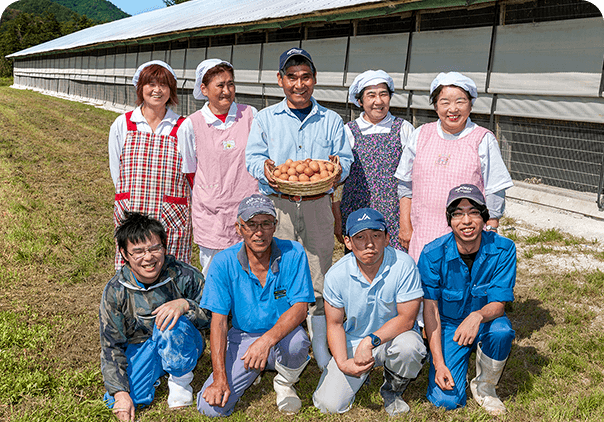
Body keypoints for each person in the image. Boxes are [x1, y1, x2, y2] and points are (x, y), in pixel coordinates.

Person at [245, 47, 354, 370]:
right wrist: (263, 167)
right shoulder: (265, 118)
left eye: (305, 76)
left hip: (318, 205)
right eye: (291, 77)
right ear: (280, 80)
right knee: (278, 272)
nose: (299, 83)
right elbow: (253, 157)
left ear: (314, 79)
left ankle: (320, 344)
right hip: (278, 208)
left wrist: (337, 167)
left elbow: (344, 160)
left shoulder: (331, 120)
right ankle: (285, 346)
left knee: (319, 272)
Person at [196, 194, 315, 417]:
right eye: (251, 224)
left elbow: (300, 308)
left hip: (282, 336)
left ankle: (284, 381)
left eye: (265, 224)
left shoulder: (294, 252)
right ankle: (255, 369)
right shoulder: (222, 262)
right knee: (211, 408)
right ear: (238, 228)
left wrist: (266, 341)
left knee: (298, 342)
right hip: (243, 337)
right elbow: (219, 322)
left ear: (275, 226)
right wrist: (220, 378)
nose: (259, 232)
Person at [313, 208, 426, 416]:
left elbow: (407, 318)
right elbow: (335, 324)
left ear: (387, 238)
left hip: (395, 337)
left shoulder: (404, 265)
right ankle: (360, 375)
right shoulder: (336, 275)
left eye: (376, 235)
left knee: (410, 348)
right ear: (347, 242)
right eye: (360, 237)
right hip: (354, 339)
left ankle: (393, 390)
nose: (370, 243)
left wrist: (370, 341)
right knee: (328, 405)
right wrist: (343, 363)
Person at [99, 212, 210, 422]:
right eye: (138, 251)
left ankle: (180, 380)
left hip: (183, 338)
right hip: (142, 346)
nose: (148, 257)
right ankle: (159, 368)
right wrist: (120, 393)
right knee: (121, 399)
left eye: (154, 248)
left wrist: (186, 305)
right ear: (124, 254)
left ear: (165, 247)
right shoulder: (115, 290)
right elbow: (111, 345)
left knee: (168, 321)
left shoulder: (184, 274)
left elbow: (215, 315)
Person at [394, 71, 513, 262]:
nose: (453, 109)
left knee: (461, 285)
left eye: (460, 101)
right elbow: (405, 185)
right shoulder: (420, 135)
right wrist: (405, 226)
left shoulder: (482, 139)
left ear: (470, 104)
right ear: (435, 106)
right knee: (426, 286)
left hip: (467, 234)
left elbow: (495, 188)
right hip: (424, 230)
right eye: (445, 102)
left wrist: (491, 226)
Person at [418, 184, 516, 415]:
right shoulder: (432, 254)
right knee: (447, 400)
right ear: (449, 221)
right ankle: (456, 360)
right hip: (449, 325)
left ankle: (485, 386)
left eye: (473, 212)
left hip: (485, 321)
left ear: (484, 218)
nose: (466, 221)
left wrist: (477, 316)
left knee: (501, 331)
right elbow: (430, 311)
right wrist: (439, 363)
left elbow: (499, 304)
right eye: (458, 214)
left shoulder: (504, 249)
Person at [109, 60, 194, 270]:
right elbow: (116, 172)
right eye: (151, 84)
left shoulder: (183, 127)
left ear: (171, 90)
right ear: (141, 88)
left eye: (163, 85)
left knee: (171, 270)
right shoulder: (124, 124)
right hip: (133, 208)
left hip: (171, 215)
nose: (157, 90)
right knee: (135, 266)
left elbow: (192, 173)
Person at [178, 59, 259, 276]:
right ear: (204, 89)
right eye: (220, 85)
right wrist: (214, 194)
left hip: (247, 206)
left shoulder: (250, 115)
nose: (227, 91)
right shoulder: (191, 125)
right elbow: (190, 170)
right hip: (212, 212)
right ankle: (215, 310)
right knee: (215, 271)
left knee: (251, 267)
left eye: (230, 84)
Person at [334, 69, 415, 250]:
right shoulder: (348, 131)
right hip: (357, 214)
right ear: (360, 100)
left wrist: (407, 221)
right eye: (371, 95)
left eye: (383, 94)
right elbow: (337, 182)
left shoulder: (404, 129)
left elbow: (412, 178)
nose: (378, 101)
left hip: (395, 217)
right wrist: (338, 219)